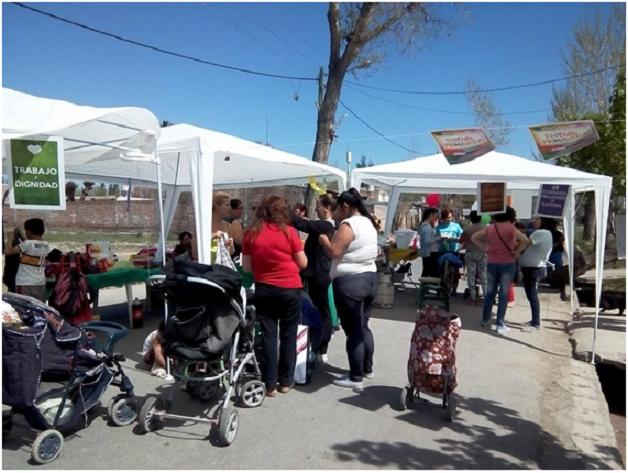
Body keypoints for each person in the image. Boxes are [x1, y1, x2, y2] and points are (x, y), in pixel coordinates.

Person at [242, 196, 307, 397]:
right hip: (289, 288)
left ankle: (269, 384)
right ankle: (286, 381)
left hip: (265, 288)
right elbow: (303, 263)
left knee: (269, 336)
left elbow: (246, 267)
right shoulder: (289, 232)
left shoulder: (251, 234)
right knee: (288, 335)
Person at [319, 188, 378, 390]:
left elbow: (334, 251)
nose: (338, 213)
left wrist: (324, 240)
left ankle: (355, 377)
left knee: (353, 332)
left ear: (345, 206)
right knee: (363, 326)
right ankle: (367, 369)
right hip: (370, 278)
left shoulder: (348, 225)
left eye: (339, 209)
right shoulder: (368, 222)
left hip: (351, 282)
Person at [290, 194, 337, 362]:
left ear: (327, 208)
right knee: (315, 309)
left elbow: (304, 224)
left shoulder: (325, 225)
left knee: (321, 311)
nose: (316, 208)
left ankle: (320, 346)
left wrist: (286, 214)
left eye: (318, 205)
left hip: (319, 275)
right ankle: (314, 343)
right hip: (314, 274)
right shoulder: (324, 225)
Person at [471, 207, 530, 335]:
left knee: (490, 293)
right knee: (503, 294)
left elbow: (474, 238)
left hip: (491, 262)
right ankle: (500, 324)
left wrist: (486, 248)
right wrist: (517, 252)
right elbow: (525, 240)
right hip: (507, 264)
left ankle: (485, 319)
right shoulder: (510, 228)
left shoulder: (490, 228)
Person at [518, 219, 553, 331]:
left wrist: (516, 251)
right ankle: (534, 320)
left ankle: (536, 323)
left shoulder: (540, 233)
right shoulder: (547, 233)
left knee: (532, 295)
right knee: (531, 295)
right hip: (536, 267)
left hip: (533, 268)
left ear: (543, 221)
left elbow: (526, 243)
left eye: (537, 219)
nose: (534, 221)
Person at [4, 218, 49, 301]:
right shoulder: (45, 244)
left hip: (25, 283)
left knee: (23, 308)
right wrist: (22, 235)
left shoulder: (27, 244)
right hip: (40, 283)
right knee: (38, 307)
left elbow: (8, 251)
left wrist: (10, 237)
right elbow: (31, 245)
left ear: (28, 232)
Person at [459, 211, 487, 305]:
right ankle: (486, 297)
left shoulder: (467, 229)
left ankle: (473, 297)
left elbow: (461, 240)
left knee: (471, 275)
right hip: (483, 254)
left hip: (470, 253)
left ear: (471, 218)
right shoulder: (486, 229)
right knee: (483, 275)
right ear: (481, 218)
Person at [211, 191, 243, 262]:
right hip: (209, 268)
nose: (230, 208)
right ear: (216, 207)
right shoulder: (204, 226)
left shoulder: (228, 225)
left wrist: (229, 246)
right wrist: (213, 237)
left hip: (225, 267)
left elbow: (231, 251)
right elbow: (195, 253)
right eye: (227, 205)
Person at [541, 217, 567, 300]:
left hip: (549, 252)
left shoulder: (544, 232)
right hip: (556, 252)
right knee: (558, 267)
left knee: (549, 268)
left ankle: (551, 281)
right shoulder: (557, 233)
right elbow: (560, 242)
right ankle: (556, 282)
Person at [418, 207, 441, 278]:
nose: (436, 218)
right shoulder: (427, 227)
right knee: (429, 273)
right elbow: (427, 241)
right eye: (436, 216)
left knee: (427, 273)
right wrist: (438, 238)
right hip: (430, 253)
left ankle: (424, 287)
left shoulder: (426, 225)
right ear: (431, 215)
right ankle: (424, 287)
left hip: (429, 253)